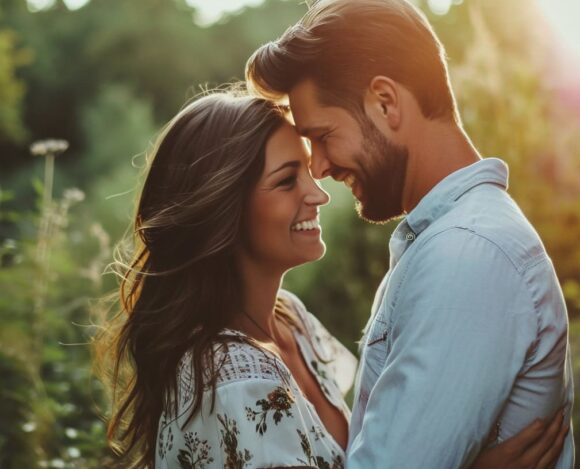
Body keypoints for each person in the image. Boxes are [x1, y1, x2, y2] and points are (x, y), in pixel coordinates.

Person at [96, 89, 567, 469]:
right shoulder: (228, 384)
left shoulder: (292, 324)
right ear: (224, 211)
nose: (316, 193)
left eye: (307, 169)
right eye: (286, 181)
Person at [245, 0, 574, 467]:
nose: (318, 165)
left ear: (386, 102)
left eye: (322, 135)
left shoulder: (467, 255)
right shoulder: (451, 239)